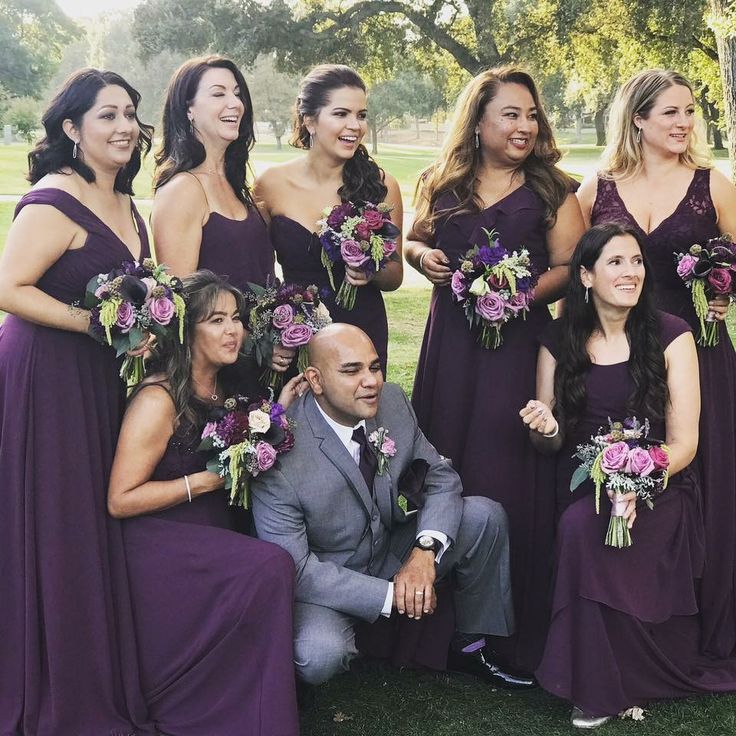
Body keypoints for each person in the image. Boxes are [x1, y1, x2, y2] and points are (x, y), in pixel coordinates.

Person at [404, 66, 585, 672]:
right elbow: (413, 240)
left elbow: (568, 268)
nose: (525, 126)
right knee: (446, 459)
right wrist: (421, 255)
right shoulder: (442, 181)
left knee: (506, 465)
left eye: (531, 115)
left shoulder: (554, 189)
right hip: (451, 346)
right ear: (477, 121)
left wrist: (516, 295)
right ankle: (438, 611)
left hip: (518, 349)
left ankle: (505, 625)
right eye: (510, 114)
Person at [524, 223, 736, 727]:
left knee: (617, 531)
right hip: (583, 487)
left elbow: (685, 443)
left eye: (636, 261)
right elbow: (547, 444)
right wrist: (547, 427)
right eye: (615, 262)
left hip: (662, 484)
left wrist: (639, 474)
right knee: (580, 526)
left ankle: (634, 670)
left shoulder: (671, 334)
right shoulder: (557, 341)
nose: (631, 272)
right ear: (586, 276)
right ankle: (595, 683)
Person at [251, 322, 534, 690]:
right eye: (352, 371)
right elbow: (297, 569)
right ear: (315, 380)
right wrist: (390, 596)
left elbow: (440, 477)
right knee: (319, 655)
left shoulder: (393, 402)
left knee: (484, 515)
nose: (371, 381)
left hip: (390, 548)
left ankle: (471, 645)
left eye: (375, 366)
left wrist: (424, 550)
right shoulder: (277, 451)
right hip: (329, 580)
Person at [0, 68, 155, 735]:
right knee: (54, 520)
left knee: (90, 517)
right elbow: (9, 287)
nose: (124, 127)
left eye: (130, 114)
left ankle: (92, 667)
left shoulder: (129, 203)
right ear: (71, 128)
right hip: (47, 377)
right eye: (106, 116)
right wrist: (93, 324)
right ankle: (48, 680)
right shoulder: (55, 196)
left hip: (100, 382)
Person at [578, 69, 736, 659]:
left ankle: (703, 618)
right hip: (625, 355)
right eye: (670, 112)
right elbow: (573, 267)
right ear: (637, 118)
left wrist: (724, 287)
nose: (684, 123)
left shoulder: (711, 184)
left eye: (690, 111)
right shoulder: (598, 189)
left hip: (701, 350)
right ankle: (631, 612)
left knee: (706, 475)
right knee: (630, 471)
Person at [107, 271, 302, 735]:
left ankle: (246, 693)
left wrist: (281, 414)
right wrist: (205, 482)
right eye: (216, 320)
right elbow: (119, 499)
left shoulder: (226, 386)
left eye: (236, 319)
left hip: (213, 529)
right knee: (270, 565)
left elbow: (244, 444)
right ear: (185, 331)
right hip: (159, 540)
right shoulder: (158, 400)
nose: (232, 330)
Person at [254, 64, 403, 372]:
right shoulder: (271, 184)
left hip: (362, 329)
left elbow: (395, 275)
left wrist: (369, 270)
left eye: (361, 115)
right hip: (298, 334)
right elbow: (260, 274)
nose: (355, 125)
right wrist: (274, 333)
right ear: (310, 120)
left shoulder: (382, 186)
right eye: (341, 114)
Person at [152, 55, 293, 379]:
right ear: (188, 109)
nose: (234, 103)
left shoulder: (236, 184)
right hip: (218, 371)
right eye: (218, 94)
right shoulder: (182, 190)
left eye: (237, 93)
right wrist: (251, 340)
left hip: (262, 365)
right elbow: (183, 302)